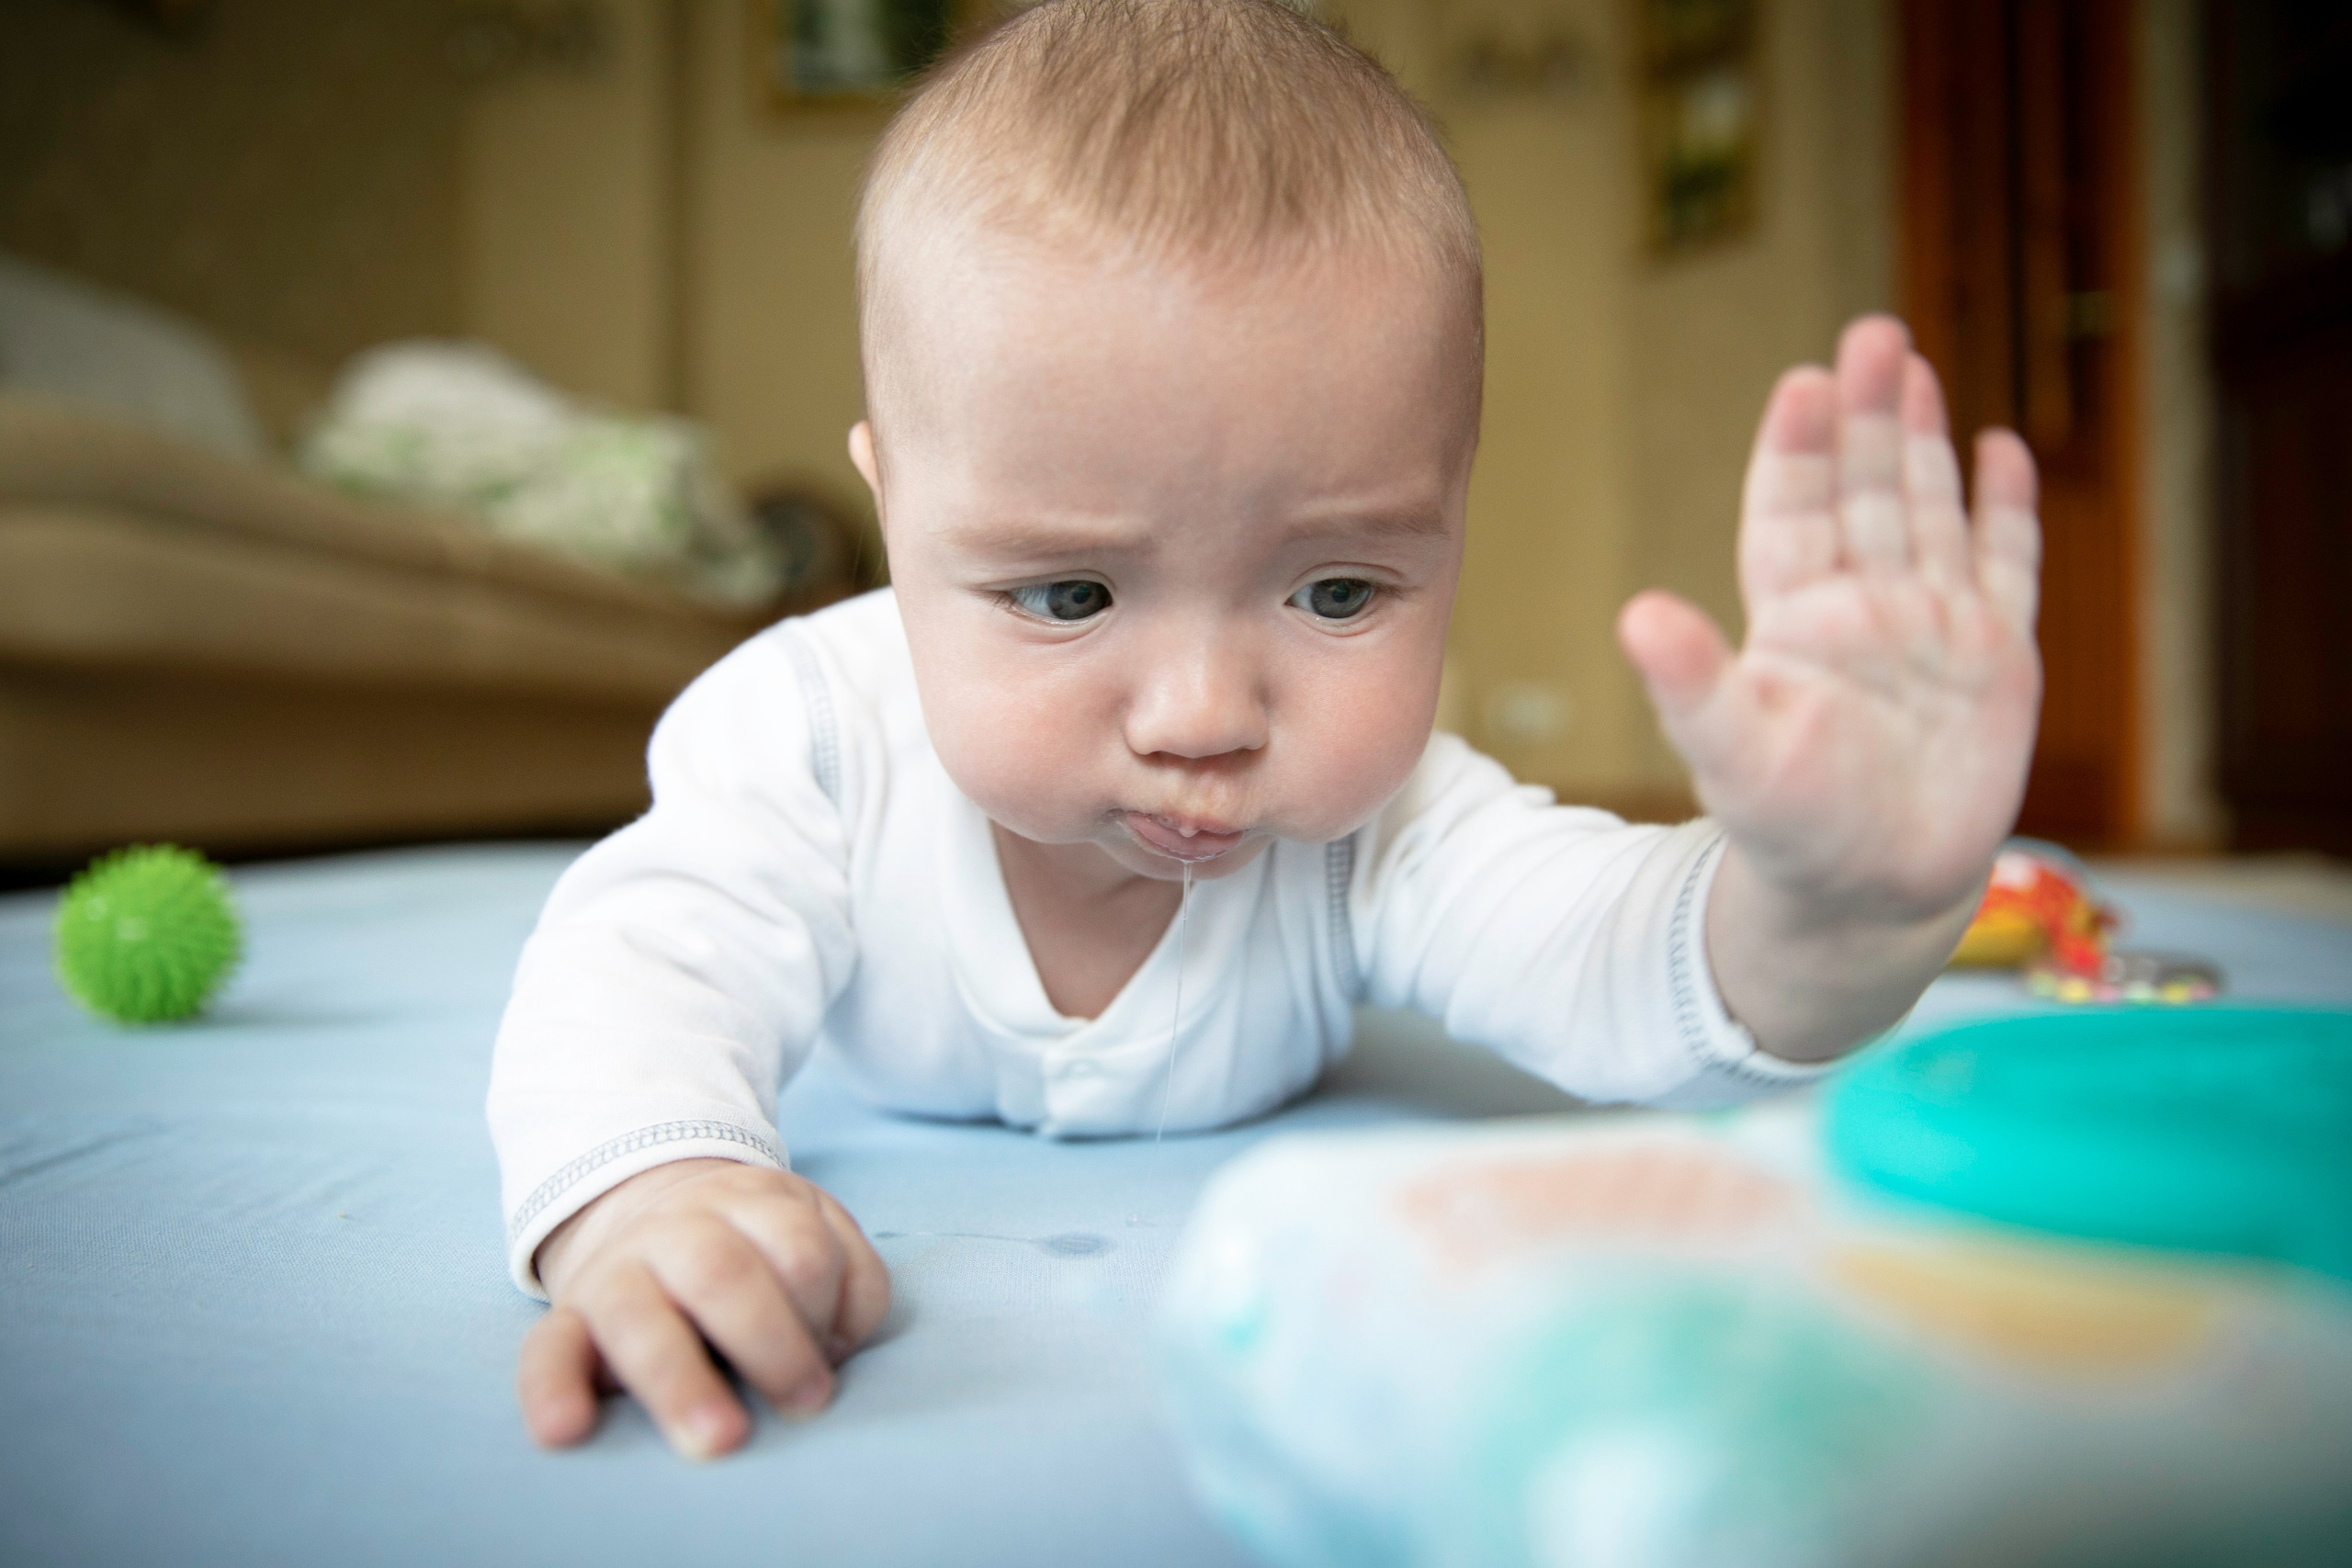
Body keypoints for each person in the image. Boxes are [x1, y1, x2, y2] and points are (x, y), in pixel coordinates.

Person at [488, 0, 2042, 1461]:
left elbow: (1622, 959)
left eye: (1340, 590)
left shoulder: (1387, 820)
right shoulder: (811, 738)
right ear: (897, 517)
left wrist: (1832, 907)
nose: (1206, 718)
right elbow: (636, 965)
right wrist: (650, 1186)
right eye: (1073, 595)